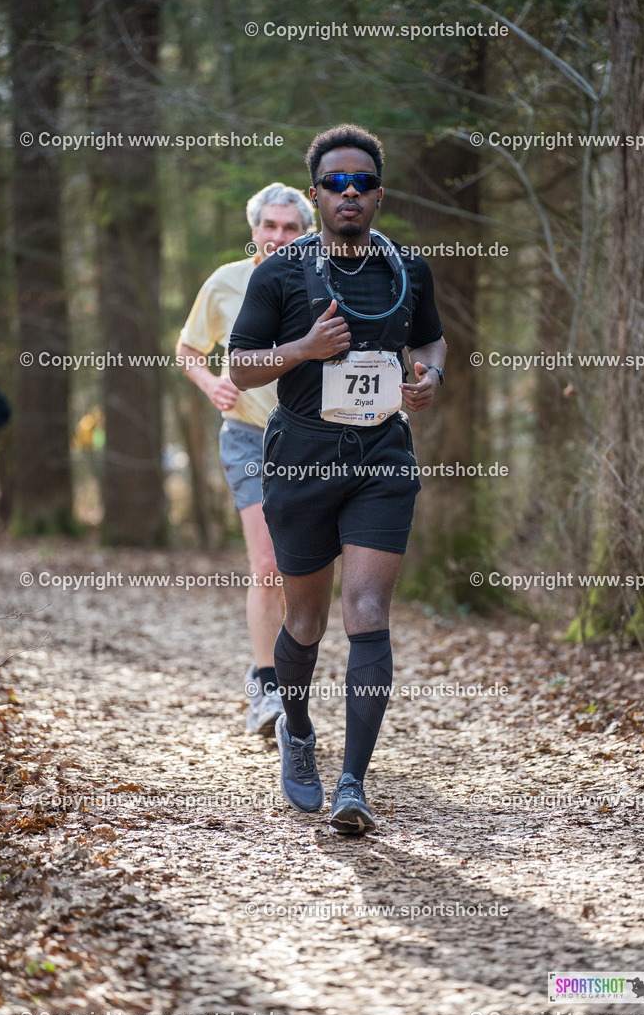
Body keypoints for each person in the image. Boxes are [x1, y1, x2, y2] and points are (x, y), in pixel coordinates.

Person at [229, 124, 446, 834]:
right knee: (306, 621)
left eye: (360, 182)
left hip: (381, 458)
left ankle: (352, 784)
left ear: (378, 193)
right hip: (301, 460)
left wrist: (428, 374)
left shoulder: (407, 269)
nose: (348, 193)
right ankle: (296, 729)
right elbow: (239, 366)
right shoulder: (280, 271)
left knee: (367, 615)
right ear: (316, 193)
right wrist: (302, 348)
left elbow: (432, 337)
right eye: (334, 183)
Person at [176, 183, 315, 735]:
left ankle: (294, 682)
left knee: (304, 571)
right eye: (270, 227)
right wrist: (211, 383)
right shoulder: (225, 282)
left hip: (309, 440)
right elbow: (189, 350)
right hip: (248, 436)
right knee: (267, 564)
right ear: (254, 230)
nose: (279, 237)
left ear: (304, 232)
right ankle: (266, 688)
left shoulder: (322, 279)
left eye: (290, 228)